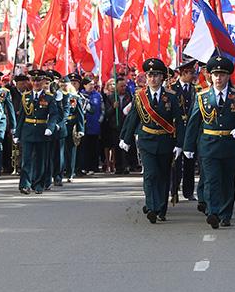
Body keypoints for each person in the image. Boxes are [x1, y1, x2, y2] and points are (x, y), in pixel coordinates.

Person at [183, 56, 235, 229]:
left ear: (228, 76)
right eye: (215, 74)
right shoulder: (202, 96)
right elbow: (194, 123)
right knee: (212, 180)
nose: (218, 78)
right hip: (209, 144)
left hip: (229, 144)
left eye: (222, 74)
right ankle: (213, 212)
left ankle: (226, 214)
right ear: (210, 76)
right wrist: (188, 146)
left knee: (228, 181)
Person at [120, 58, 185, 224]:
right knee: (150, 175)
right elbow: (133, 118)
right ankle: (152, 207)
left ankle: (161, 208)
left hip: (165, 141)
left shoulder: (171, 96)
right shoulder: (140, 96)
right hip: (146, 140)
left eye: (156, 75)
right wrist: (125, 138)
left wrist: (179, 144)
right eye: (150, 75)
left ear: (162, 77)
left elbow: (179, 121)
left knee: (163, 176)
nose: (153, 79)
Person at [15, 70, 60, 194]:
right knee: (26, 160)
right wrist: (17, 134)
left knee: (40, 160)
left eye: (39, 80)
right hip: (28, 131)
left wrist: (50, 128)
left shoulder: (49, 97)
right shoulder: (25, 97)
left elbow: (54, 114)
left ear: (43, 81)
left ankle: (38, 184)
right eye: (34, 80)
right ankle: (25, 184)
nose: (36, 83)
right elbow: (21, 117)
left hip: (42, 131)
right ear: (31, 81)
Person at [170, 58, 200, 202]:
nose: (193, 76)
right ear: (183, 73)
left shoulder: (196, 90)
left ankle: (188, 191)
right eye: (190, 73)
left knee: (190, 162)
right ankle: (174, 190)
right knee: (175, 163)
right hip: (176, 130)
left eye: (193, 73)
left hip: (191, 130)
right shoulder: (172, 89)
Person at [80, 77, 104, 175]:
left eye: (93, 84)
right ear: (84, 85)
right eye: (90, 84)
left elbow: (102, 110)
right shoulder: (80, 95)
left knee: (94, 147)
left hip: (95, 125)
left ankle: (93, 167)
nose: (92, 86)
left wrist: (99, 121)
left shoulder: (98, 95)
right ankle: (84, 167)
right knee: (84, 148)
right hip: (84, 125)